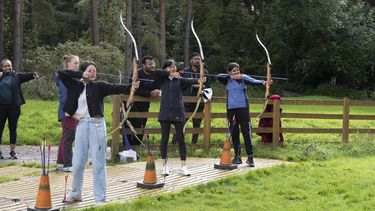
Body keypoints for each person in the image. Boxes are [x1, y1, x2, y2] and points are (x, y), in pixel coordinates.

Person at [59, 61, 140, 204]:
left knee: (98, 163)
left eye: (95, 70)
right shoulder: (74, 85)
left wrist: (131, 86)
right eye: (90, 70)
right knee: (77, 163)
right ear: (84, 72)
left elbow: (116, 87)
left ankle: (100, 199)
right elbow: (61, 73)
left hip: (97, 126)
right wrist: (80, 74)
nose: (93, 73)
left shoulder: (99, 85)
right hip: (82, 124)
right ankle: (75, 194)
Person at [153, 59, 202, 176]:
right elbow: (156, 72)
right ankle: (165, 166)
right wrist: (169, 74)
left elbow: (192, 80)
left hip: (178, 113)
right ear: (165, 69)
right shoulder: (162, 79)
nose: (173, 68)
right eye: (169, 67)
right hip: (164, 114)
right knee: (164, 139)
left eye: (174, 66)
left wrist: (201, 79)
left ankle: (183, 166)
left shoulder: (180, 81)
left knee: (181, 139)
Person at [217, 62, 270, 167]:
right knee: (234, 132)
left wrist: (265, 83)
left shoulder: (243, 78)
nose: (237, 72)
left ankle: (250, 157)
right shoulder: (227, 79)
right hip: (231, 109)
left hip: (243, 109)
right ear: (229, 72)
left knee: (246, 132)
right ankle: (237, 157)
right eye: (234, 71)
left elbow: (254, 81)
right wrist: (231, 76)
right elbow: (218, 77)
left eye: (238, 70)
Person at [0, 59, 39, 159]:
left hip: (14, 107)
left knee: (12, 128)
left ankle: (12, 152)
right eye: (5, 66)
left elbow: (29, 75)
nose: (8, 68)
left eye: (9, 66)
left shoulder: (17, 76)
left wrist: (34, 74)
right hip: (1, 107)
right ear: (2, 68)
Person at [172, 52, 211, 144]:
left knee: (196, 124)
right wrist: (193, 85)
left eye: (199, 59)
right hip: (186, 102)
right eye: (196, 59)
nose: (198, 61)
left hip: (199, 102)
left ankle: (194, 145)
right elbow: (181, 85)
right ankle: (174, 144)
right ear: (191, 60)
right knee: (180, 122)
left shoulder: (205, 72)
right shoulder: (185, 72)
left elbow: (209, 86)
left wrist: (202, 87)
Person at [122, 55, 160, 146]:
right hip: (132, 104)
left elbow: (157, 87)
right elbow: (132, 89)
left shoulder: (155, 75)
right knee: (129, 125)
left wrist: (157, 91)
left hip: (145, 105)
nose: (152, 65)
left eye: (153, 63)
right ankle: (127, 147)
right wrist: (149, 93)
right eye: (150, 64)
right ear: (143, 65)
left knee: (141, 125)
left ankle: (137, 147)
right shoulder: (136, 73)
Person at [54, 55, 80, 172]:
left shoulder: (75, 78)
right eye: (75, 63)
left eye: (78, 63)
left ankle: (62, 162)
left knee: (66, 137)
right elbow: (65, 97)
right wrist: (69, 112)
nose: (77, 65)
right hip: (67, 112)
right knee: (68, 138)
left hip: (72, 112)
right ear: (68, 64)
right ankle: (67, 164)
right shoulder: (64, 78)